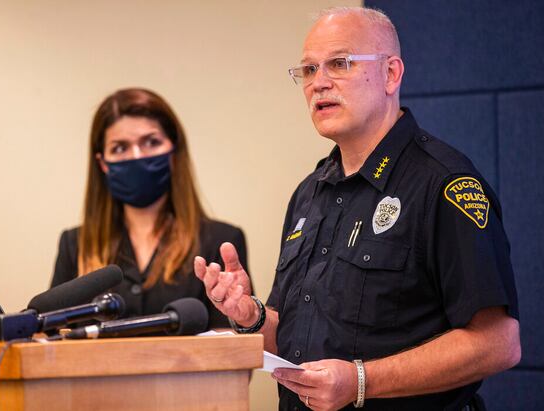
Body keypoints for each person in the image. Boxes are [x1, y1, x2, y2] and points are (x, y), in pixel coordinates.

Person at [194, 6, 520, 411]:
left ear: (391, 74)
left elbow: (498, 344)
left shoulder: (443, 183)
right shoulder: (309, 193)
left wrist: (362, 381)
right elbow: (303, 339)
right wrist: (253, 318)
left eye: (339, 64)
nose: (319, 83)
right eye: (309, 70)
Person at [52, 88, 248, 328]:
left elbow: (235, 343)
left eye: (151, 142)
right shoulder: (74, 245)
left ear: (173, 151)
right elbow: (54, 341)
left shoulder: (221, 241)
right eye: (120, 148)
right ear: (102, 163)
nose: (137, 157)